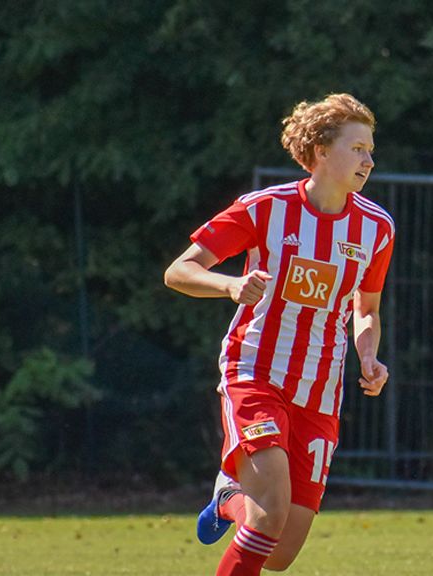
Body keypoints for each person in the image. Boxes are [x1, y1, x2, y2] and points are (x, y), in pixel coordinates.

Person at [164, 93, 394, 575]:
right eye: (357, 149)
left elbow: (367, 308)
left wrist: (369, 354)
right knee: (268, 514)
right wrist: (230, 285)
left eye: (371, 150)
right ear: (321, 152)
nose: (369, 161)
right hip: (255, 372)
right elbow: (179, 271)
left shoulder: (376, 228)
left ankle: (228, 499)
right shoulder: (264, 209)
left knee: (279, 554)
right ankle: (240, 499)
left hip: (320, 390)